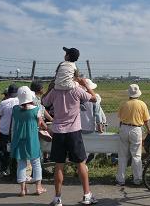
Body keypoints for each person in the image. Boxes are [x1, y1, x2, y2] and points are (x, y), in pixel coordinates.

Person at [42, 77, 98, 206]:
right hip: (74, 131)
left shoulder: (55, 91)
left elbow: (44, 102)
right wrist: (85, 85)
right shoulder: (76, 90)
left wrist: (50, 88)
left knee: (59, 164)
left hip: (58, 131)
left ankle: (57, 198)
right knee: (81, 163)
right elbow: (94, 98)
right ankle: (87, 195)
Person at [10, 86, 47, 196]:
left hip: (19, 139)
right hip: (32, 139)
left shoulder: (15, 109)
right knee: (36, 163)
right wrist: (46, 127)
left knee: (21, 164)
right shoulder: (36, 110)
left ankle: (23, 189)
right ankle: (38, 188)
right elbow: (41, 124)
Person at [116, 84, 150, 186]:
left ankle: (120, 179)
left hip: (124, 128)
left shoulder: (124, 104)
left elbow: (120, 118)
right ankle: (137, 179)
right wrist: (149, 131)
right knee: (136, 155)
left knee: (122, 155)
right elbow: (146, 120)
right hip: (136, 129)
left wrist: (121, 129)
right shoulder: (142, 104)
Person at [0, 84, 19, 176]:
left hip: (4, 130)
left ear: (8, 92)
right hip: (16, 131)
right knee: (11, 150)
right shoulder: (20, 102)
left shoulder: (4, 103)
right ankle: (11, 168)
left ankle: (5, 165)